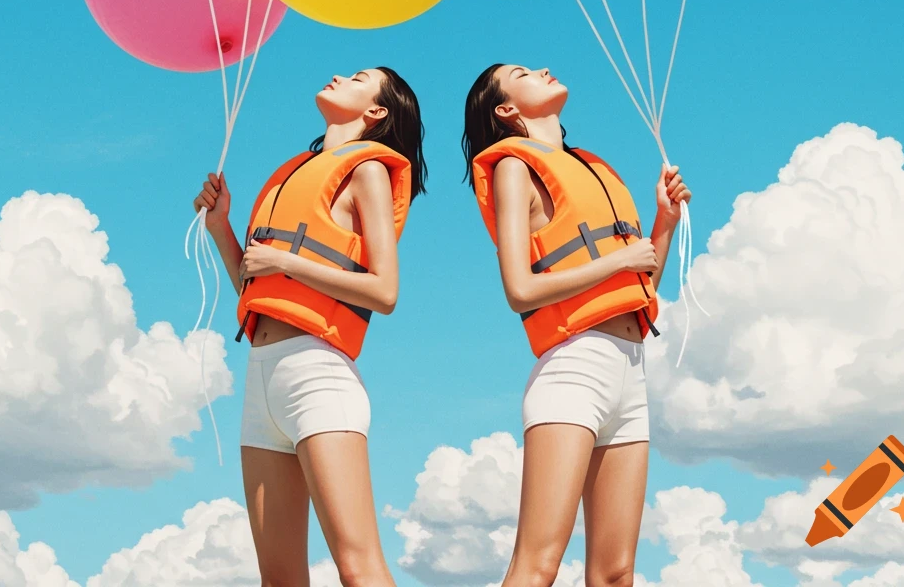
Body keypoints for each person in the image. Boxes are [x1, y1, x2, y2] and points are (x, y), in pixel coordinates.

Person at [195, 67, 427, 587]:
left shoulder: (366, 171)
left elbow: (384, 292)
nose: (339, 75)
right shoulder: (293, 172)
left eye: (359, 78)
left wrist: (287, 264)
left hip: (319, 376)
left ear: (377, 113)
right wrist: (220, 227)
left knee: (359, 569)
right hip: (261, 380)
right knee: (278, 579)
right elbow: (258, 288)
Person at [462, 63, 690, 587]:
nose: (543, 69)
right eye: (523, 73)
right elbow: (520, 289)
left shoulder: (590, 166)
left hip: (630, 374)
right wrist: (616, 262)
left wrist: (663, 223)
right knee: (537, 566)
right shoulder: (514, 169)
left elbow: (640, 281)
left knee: (616, 574)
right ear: (507, 110)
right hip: (573, 370)